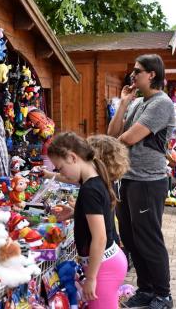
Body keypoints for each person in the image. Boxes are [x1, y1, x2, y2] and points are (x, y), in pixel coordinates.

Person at [107, 54, 174, 309]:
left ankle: (163, 294)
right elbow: (113, 133)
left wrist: (109, 145)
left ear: (152, 74)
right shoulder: (138, 103)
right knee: (131, 238)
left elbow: (129, 138)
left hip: (148, 181)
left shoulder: (161, 103)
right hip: (128, 178)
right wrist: (124, 103)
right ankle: (146, 289)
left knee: (148, 238)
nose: (132, 76)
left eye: (137, 71)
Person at [46, 132, 128, 309]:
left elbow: (100, 238)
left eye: (60, 168)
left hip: (103, 267)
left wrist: (90, 278)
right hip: (107, 263)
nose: (62, 173)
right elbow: (100, 216)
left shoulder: (90, 189)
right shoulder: (93, 181)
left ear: (72, 157)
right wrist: (77, 213)